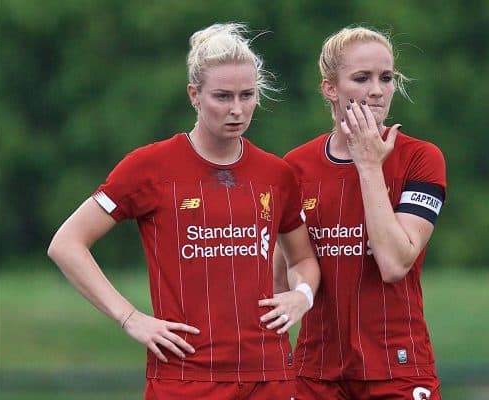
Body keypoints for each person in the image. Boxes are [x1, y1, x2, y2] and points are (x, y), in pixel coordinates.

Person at [48, 22, 319, 400]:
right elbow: (67, 243)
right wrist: (130, 318)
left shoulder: (276, 175)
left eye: (247, 95)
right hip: (185, 378)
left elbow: (303, 258)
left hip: (270, 375)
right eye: (222, 96)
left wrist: (301, 295)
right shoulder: (149, 167)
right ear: (194, 94)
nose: (237, 109)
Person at [274, 26, 446, 399]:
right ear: (330, 89)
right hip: (315, 373)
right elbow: (279, 280)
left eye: (386, 78)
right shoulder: (295, 168)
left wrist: (368, 165)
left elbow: (394, 263)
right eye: (361, 78)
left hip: (397, 368)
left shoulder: (421, 159)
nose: (377, 90)